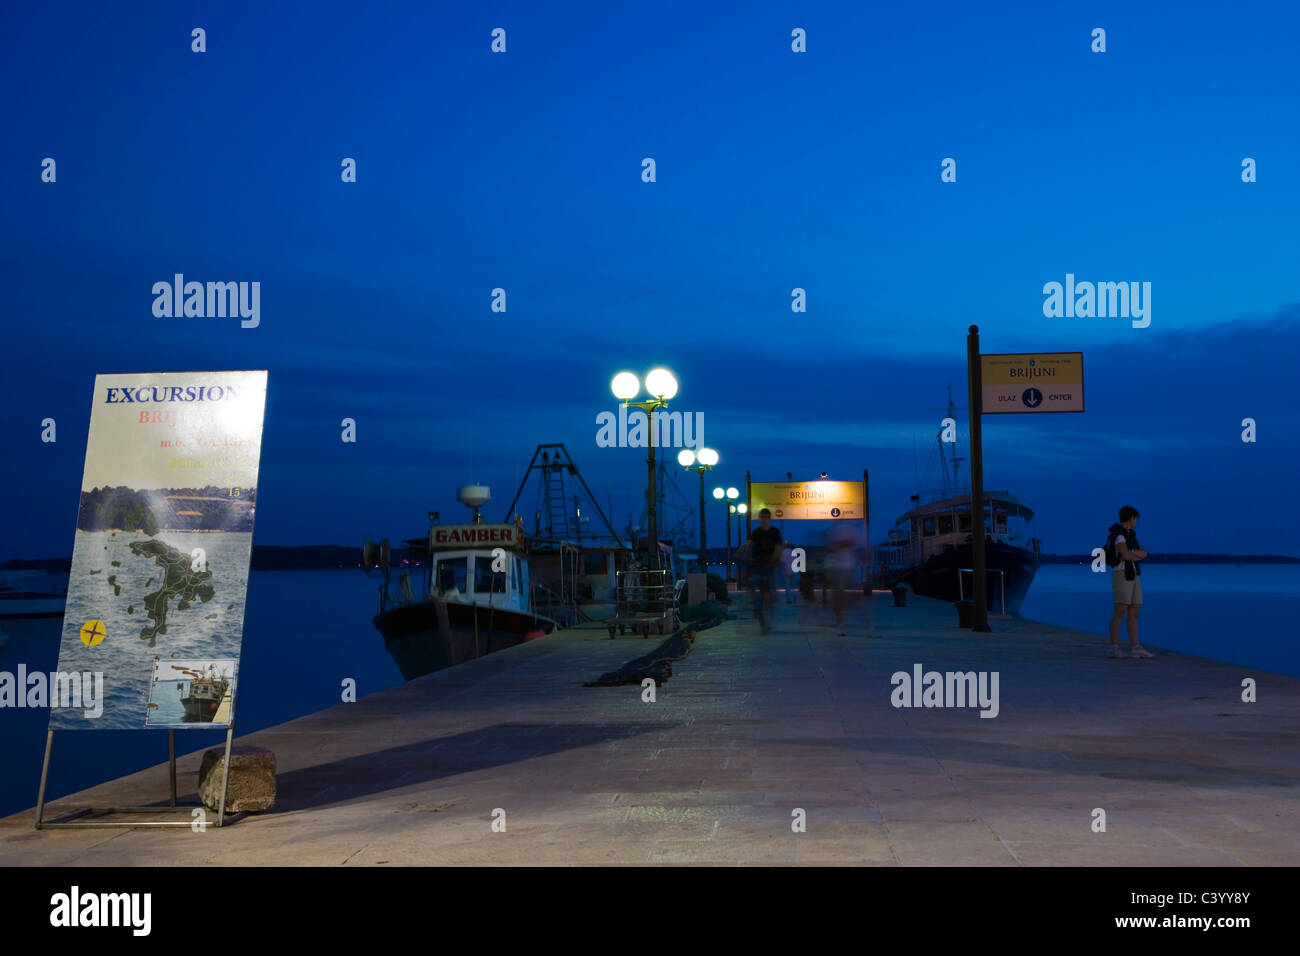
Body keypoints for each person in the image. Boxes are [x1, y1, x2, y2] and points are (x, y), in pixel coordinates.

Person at [1106, 506, 1155, 659]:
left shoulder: (1131, 536)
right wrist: (1135, 555)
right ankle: (1113, 647)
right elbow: (1126, 555)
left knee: (1135, 611)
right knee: (1120, 611)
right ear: (1131, 518)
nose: (1136, 522)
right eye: (1136, 519)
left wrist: (1133, 554)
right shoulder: (1119, 536)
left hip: (1134, 575)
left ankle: (1136, 647)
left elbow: (1141, 553)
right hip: (1122, 575)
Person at [748, 509, 782, 632]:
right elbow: (751, 547)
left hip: (771, 565)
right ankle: (761, 615)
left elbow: (778, 549)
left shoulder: (775, 532)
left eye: (767, 517)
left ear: (769, 518)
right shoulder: (756, 533)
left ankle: (769, 620)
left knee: (770, 594)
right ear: (760, 518)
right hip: (759, 565)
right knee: (762, 592)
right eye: (763, 517)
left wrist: (774, 560)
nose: (765, 519)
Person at [824, 522, 857, 635]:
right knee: (839, 596)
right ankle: (839, 622)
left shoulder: (849, 527)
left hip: (847, 566)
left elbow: (851, 543)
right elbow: (830, 549)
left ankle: (840, 620)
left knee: (847, 596)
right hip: (837, 567)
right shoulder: (832, 530)